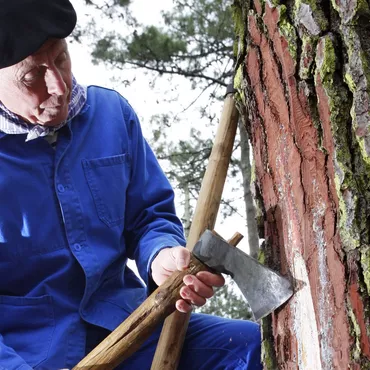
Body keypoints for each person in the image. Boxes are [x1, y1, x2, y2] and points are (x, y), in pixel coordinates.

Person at [0, 1, 262, 369]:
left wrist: (162, 258)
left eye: (61, 59)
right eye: (32, 78)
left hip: (131, 327)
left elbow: (148, 217)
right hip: (31, 354)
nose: (58, 86)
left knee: (249, 348)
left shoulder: (110, 114)